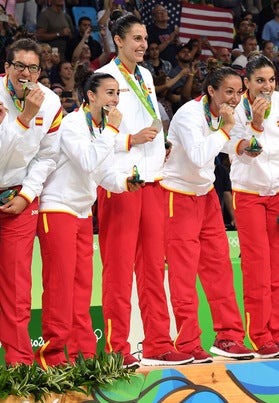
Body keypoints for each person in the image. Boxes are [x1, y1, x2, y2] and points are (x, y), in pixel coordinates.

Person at [96, 14, 193, 367]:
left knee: (153, 267)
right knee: (118, 270)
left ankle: (157, 342)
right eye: (135, 38)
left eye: (144, 38)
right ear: (118, 41)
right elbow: (98, 135)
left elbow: (149, 119)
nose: (142, 44)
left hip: (152, 180)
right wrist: (129, 140)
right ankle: (116, 349)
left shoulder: (147, 75)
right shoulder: (104, 79)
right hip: (121, 182)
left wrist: (160, 145)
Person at [36, 69, 136, 369]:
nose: (115, 99)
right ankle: (52, 359)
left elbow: (100, 171)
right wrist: (113, 132)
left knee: (81, 287)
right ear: (90, 95)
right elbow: (89, 160)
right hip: (57, 208)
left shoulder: (99, 126)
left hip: (81, 212)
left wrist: (124, 182)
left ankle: (84, 355)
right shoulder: (72, 124)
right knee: (60, 286)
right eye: (109, 93)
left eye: (117, 93)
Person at [161, 67, 256, 362]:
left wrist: (242, 146)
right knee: (184, 275)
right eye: (229, 91)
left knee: (220, 271)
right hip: (177, 196)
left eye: (240, 92)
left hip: (206, 196)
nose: (236, 98)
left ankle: (228, 338)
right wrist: (227, 131)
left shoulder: (228, 113)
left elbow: (226, 142)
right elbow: (201, 155)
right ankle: (188, 342)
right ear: (211, 91)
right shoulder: (189, 114)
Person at [225, 54, 279, 359]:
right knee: (257, 268)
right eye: (259, 81)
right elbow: (244, 154)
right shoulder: (234, 110)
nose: (267, 87)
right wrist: (256, 124)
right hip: (248, 193)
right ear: (247, 83)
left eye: (271, 80)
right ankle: (259, 336)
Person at [0, 38, 62, 365]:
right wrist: (24, 118)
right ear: (6, 67)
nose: (26, 74)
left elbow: (47, 157)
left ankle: (19, 364)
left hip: (17, 200)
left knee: (16, 288)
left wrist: (27, 195)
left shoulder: (50, 103)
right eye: (19, 66)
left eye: (33, 67)